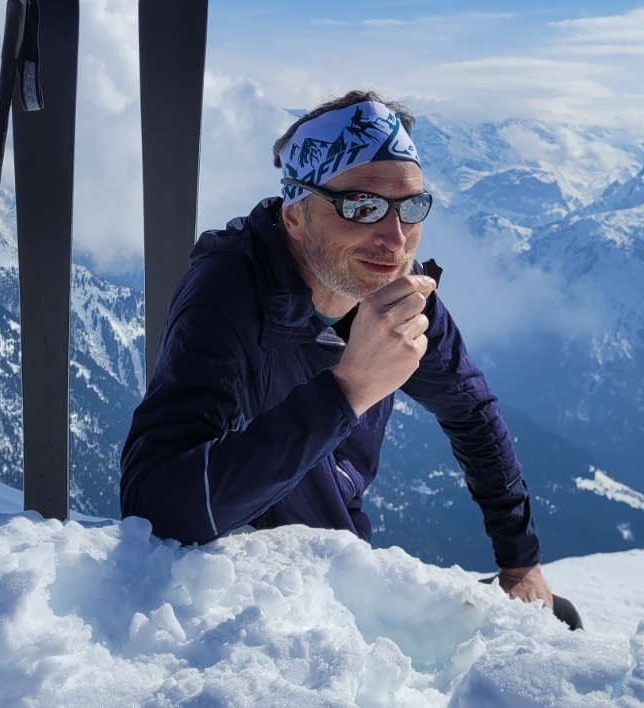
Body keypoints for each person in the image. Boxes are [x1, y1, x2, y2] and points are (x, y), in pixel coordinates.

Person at [120, 91, 554, 607]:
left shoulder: (398, 292)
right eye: (362, 206)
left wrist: (520, 561)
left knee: (558, 623)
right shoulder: (229, 295)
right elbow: (154, 505)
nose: (394, 240)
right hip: (232, 595)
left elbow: (472, 412)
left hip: (338, 566)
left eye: (411, 207)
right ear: (295, 216)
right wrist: (348, 389)